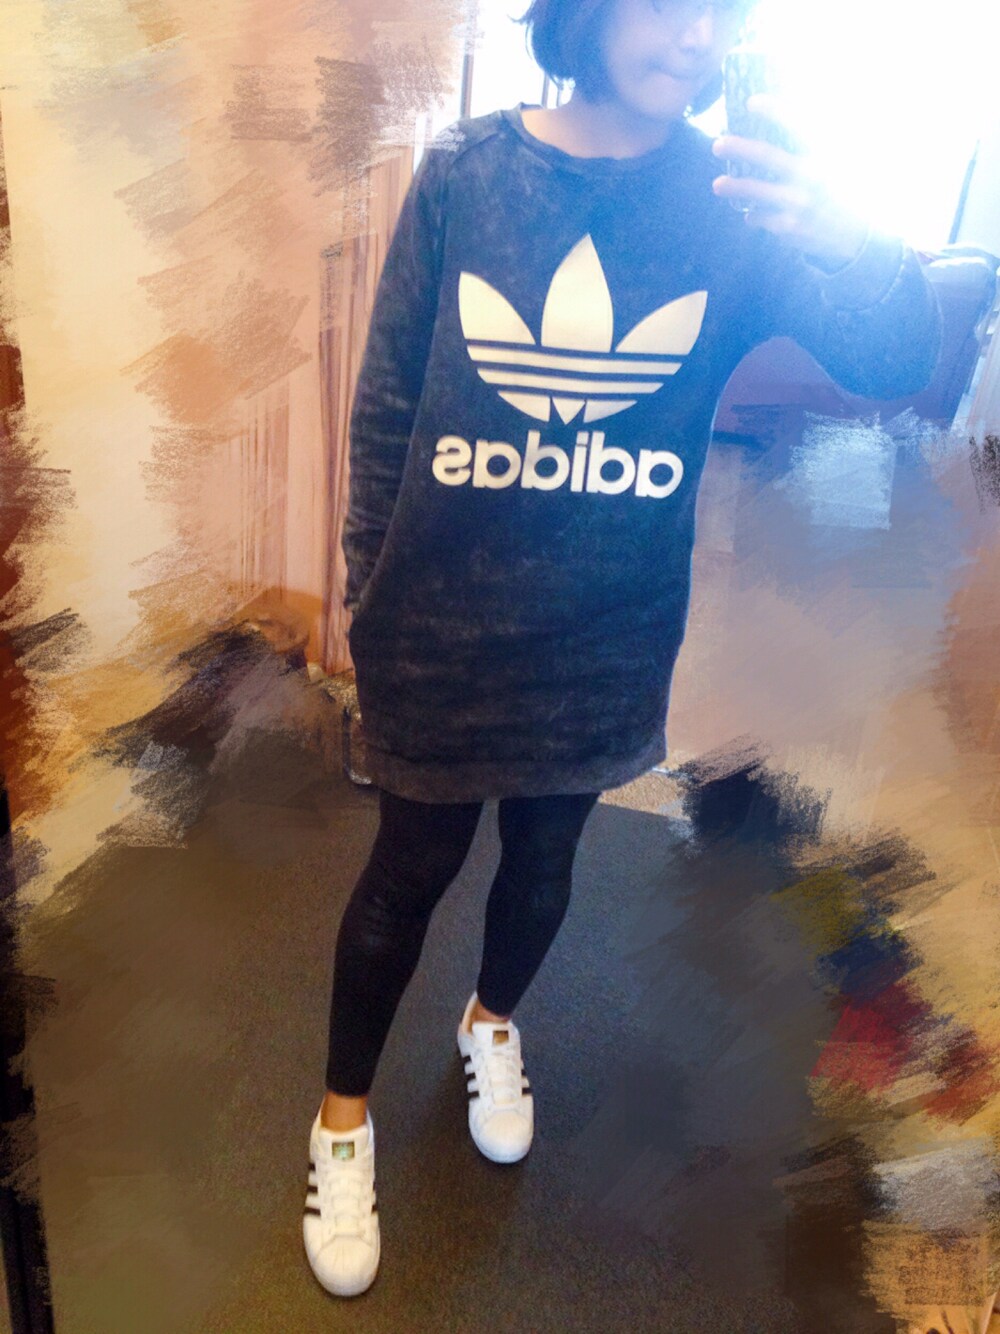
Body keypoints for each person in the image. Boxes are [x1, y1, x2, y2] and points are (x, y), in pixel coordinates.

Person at [302, 0, 943, 1298]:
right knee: (407, 875)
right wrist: (370, 599)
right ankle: (340, 1125)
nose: (696, 33)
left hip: (605, 630)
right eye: (665, 0)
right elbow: (387, 407)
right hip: (440, 623)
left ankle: (492, 1025)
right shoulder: (467, 174)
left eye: (721, 9)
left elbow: (891, 364)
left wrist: (854, 240)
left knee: (546, 862)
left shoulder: (732, 208)